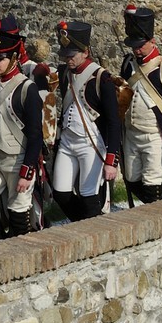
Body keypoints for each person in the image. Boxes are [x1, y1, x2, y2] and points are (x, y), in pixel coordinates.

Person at [0, 17, 43, 239]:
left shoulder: (27, 89)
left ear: (13, 57)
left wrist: (27, 170)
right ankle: (1, 243)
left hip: (18, 160)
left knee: (18, 214)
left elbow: (35, 135)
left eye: (0, 58)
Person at [50, 20, 121, 220]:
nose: (68, 60)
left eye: (71, 55)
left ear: (85, 52)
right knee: (61, 193)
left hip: (91, 143)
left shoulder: (102, 78)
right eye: (65, 55)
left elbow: (113, 121)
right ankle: (83, 224)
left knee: (89, 196)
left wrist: (111, 159)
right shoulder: (64, 73)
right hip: (67, 141)